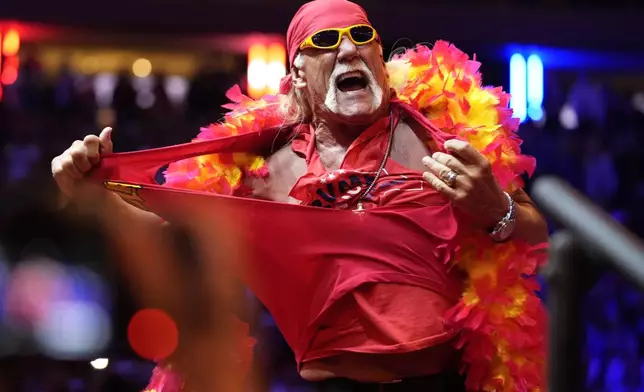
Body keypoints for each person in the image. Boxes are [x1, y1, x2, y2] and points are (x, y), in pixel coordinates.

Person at [51, 0, 549, 390]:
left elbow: (535, 229)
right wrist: (88, 190)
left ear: (381, 58)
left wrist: (495, 209)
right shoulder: (267, 171)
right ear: (297, 80)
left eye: (361, 37)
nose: (349, 50)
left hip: (446, 384)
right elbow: (172, 242)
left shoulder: (442, 134)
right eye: (325, 42)